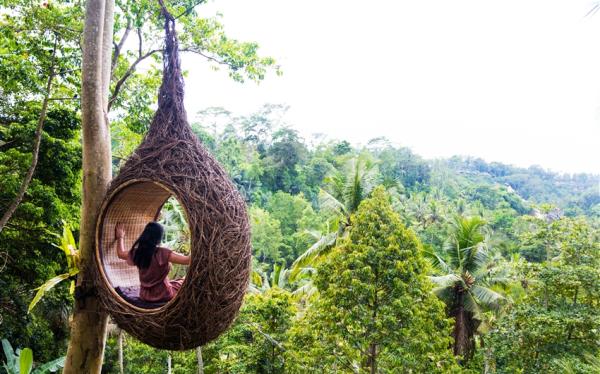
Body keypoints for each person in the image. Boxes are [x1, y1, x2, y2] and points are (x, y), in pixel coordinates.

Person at [115, 221, 190, 303]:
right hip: (163, 294)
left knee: (175, 282)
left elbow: (120, 254)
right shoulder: (162, 253)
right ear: (159, 237)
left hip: (145, 295)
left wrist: (120, 237)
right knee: (182, 282)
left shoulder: (138, 253)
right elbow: (187, 260)